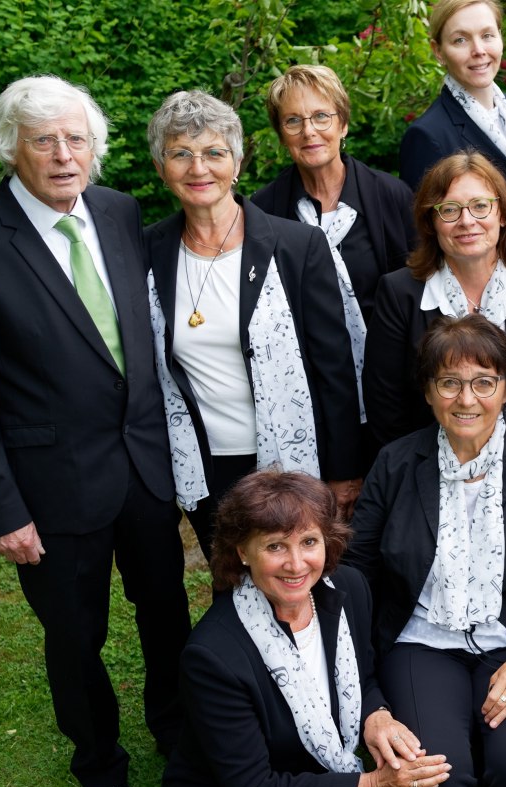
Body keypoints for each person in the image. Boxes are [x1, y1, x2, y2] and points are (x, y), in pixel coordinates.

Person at [0, 75, 190, 787]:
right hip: (51, 487)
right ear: (11, 148)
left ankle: (175, 731)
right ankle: (101, 771)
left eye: (76, 138)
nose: (63, 154)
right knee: (76, 639)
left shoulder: (118, 212)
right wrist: (0, 508)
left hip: (142, 467)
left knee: (166, 611)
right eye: (43, 140)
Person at [343, 315, 506, 787]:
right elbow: (357, 573)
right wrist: (369, 698)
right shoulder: (396, 463)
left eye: (483, 382)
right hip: (420, 642)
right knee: (436, 773)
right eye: (448, 382)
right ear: (428, 392)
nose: (466, 399)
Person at [161, 469, 451, 787]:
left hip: (316, 775)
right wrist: (375, 786)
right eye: (275, 546)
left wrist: (376, 715)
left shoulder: (349, 589)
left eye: (309, 542)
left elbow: (363, 676)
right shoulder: (213, 657)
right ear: (242, 552)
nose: (296, 565)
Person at [144, 90, 362, 551]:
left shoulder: (298, 246)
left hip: (294, 462)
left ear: (237, 162)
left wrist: (343, 472)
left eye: (214, 153)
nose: (198, 168)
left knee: (296, 579)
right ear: (162, 170)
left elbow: (335, 368)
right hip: (205, 463)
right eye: (180, 154)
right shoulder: (147, 250)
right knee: (229, 579)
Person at [364, 152, 506, 471]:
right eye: (450, 210)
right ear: (431, 222)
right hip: (428, 476)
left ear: (503, 214)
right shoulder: (399, 293)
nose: (467, 221)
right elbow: (386, 410)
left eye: (480, 206)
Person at [251, 63, 416, 401]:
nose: (309, 131)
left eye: (321, 117)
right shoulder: (263, 211)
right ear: (282, 135)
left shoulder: (392, 196)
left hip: (392, 384)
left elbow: (421, 295)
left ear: (343, 124)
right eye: (293, 120)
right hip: (303, 393)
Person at [399, 0, 506, 191]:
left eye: (487, 35)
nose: (478, 50)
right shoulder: (427, 136)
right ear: (438, 51)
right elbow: (421, 219)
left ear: (500, 38)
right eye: (461, 40)